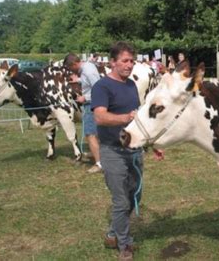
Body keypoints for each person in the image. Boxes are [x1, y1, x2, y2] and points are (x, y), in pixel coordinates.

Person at [91, 41, 163, 261]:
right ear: (112, 62)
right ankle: (125, 245)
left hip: (134, 150)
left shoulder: (131, 85)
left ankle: (113, 233)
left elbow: (138, 120)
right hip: (112, 151)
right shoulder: (102, 87)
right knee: (121, 200)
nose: (129, 65)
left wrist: (152, 145)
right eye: (124, 60)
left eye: (132, 60)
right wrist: (125, 118)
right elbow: (100, 116)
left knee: (135, 196)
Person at [64, 53, 102, 173]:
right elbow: (90, 81)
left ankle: (99, 164)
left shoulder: (87, 71)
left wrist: (84, 98)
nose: (71, 71)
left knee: (90, 134)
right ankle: (98, 155)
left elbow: (98, 88)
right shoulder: (88, 67)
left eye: (70, 68)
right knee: (95, 133)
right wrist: (78, 80)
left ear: (74, 64)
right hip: (92, 103)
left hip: (91, 104)